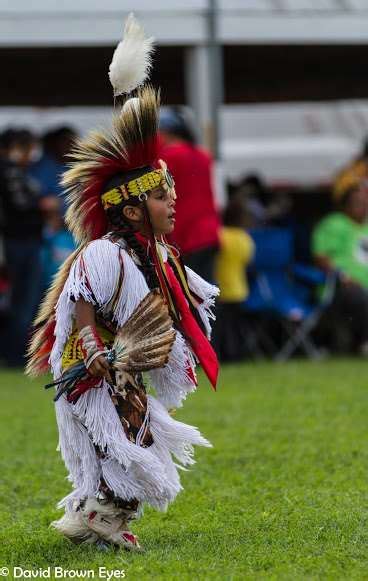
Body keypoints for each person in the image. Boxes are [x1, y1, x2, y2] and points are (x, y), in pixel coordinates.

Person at [26, 16, 219, 552]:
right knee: (125, 442)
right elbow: (81, 302)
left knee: (132, 437)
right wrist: (92, 351)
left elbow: (182, 303)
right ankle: (99, 519)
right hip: (91, 364)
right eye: (163, 196)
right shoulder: (106, 252)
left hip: (118, 361)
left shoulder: (156, 253)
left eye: (171, 193)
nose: (172, 202)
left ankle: (97, 517)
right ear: (132, 208)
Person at [159, 108, 221, 282]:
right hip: (209, 231)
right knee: (206, 291)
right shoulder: (203, 155)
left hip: (186, 235)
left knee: (188, 293)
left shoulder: (168, 156)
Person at [0, 128, 43, 367]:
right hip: (20, 242)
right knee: (24, 300)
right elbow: (22, 204)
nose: (30, 154)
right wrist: (42, 206)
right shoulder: (10, 171)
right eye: (27, 148)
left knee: (18, 299)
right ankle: (15, 355)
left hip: (16, 243)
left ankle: (14, 352)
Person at [312, 172, 368, 353]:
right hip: (339, 286)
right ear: (345, 205)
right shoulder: (333, 224)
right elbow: (320, 258)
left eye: (366, 203)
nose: (363, 207)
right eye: (358, 203)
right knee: (358, 295)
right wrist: (343, 276)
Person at [213, 197, 254, 361]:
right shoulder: (245, 238)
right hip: (240, 289)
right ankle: (237, 355)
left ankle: (222, 355)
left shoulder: (220, 235)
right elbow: (248, 261)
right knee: (236, 327)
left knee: (221, 327)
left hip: (221, 287)